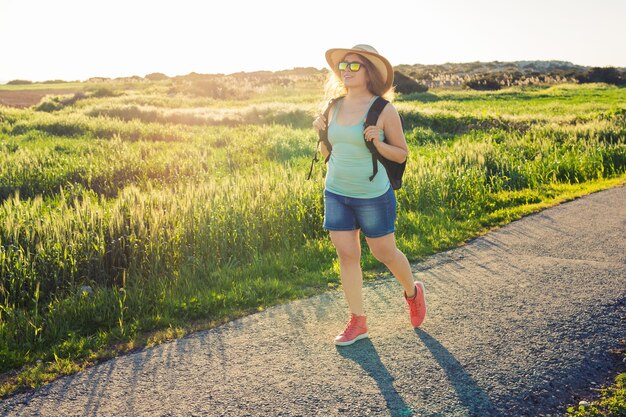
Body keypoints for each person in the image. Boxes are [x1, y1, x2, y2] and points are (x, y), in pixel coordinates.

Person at [312, 44, 426, 346]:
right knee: (347, 256)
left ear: (369, 72)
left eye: (354, 66)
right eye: (344, 66)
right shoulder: (333, 106)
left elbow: (401, 155)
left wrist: (378, 140)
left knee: (384, 253)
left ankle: (412, 292)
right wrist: (321, 134)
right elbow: (326, 152)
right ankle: (358, 322)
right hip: (336, 192)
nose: (346, 71)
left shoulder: (383, 110)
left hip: (373, 195)